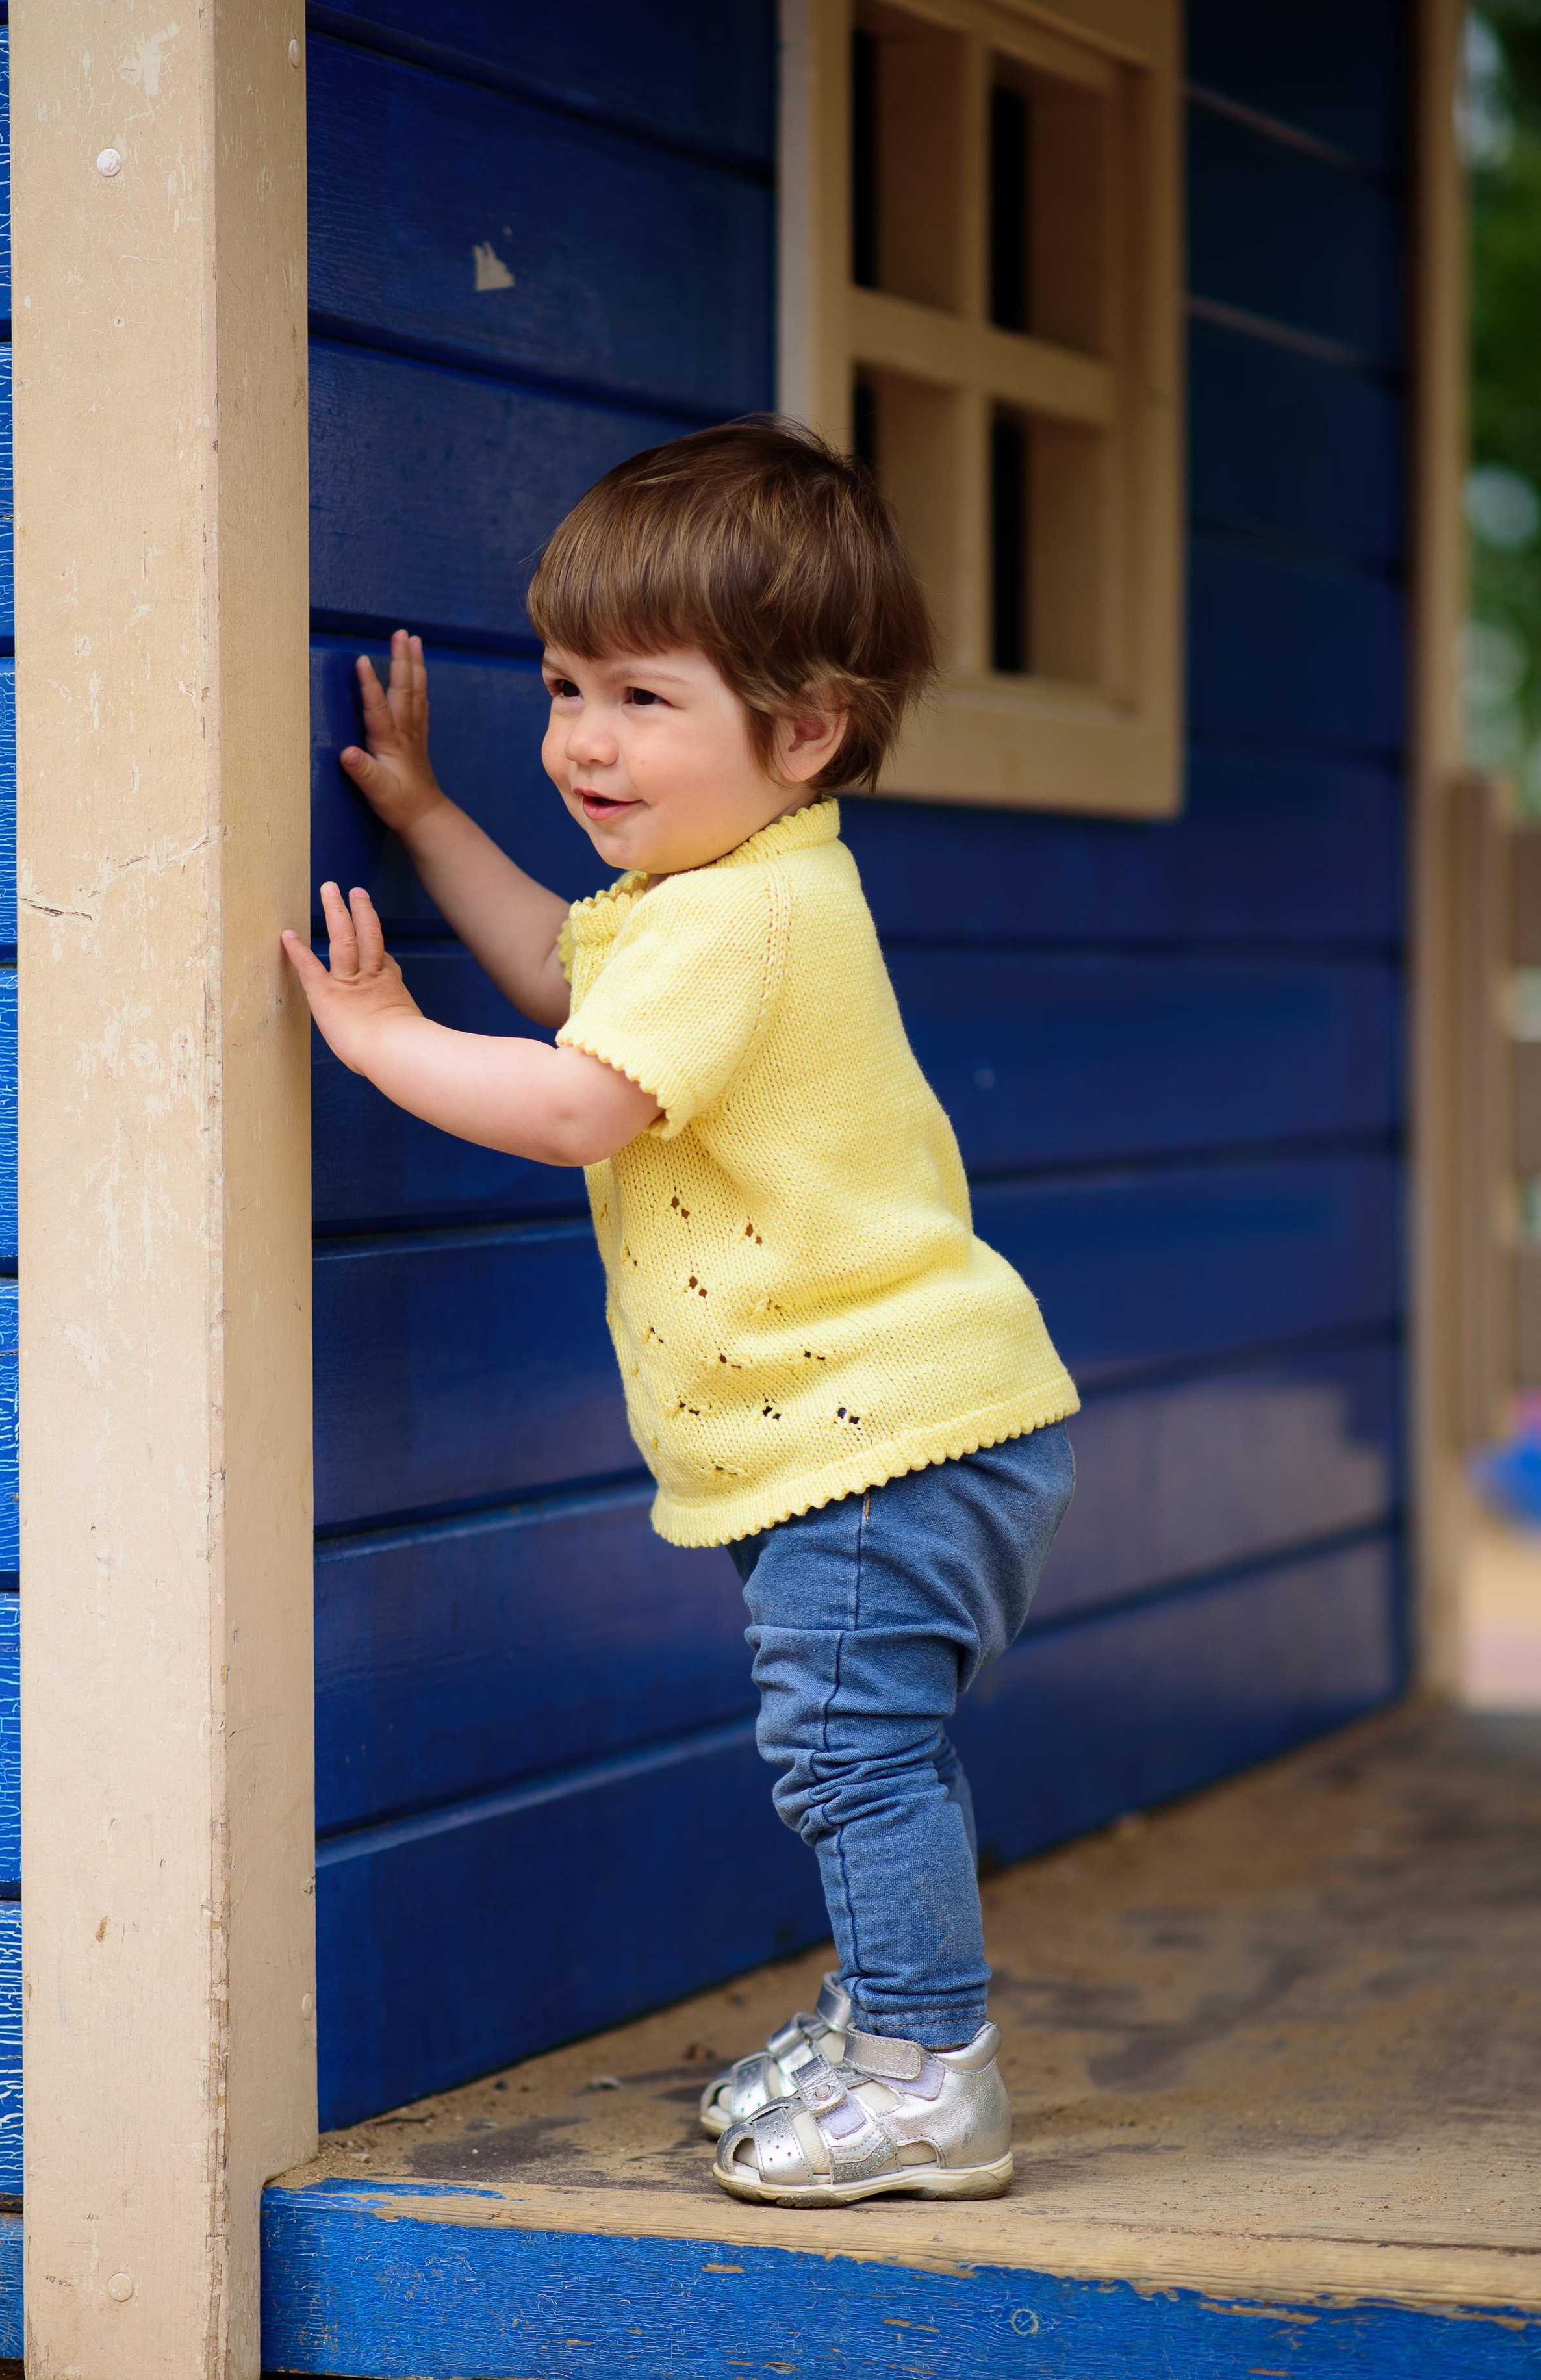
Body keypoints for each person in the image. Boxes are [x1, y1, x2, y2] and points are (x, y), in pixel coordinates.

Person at [281, 417, 1078, 2207]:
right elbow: (563, 966)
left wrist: (377, 1036)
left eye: (642, 698)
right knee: (849, 1743)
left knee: (849, 1748)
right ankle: (892, 2013)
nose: (579, 736)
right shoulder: (707, 899)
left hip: (881, 1437)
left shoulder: (745, 921)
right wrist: (421, 812)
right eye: (566, 684)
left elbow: (574, 1095)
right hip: (885, 1431)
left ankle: (927, 2070)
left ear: (803, 733)